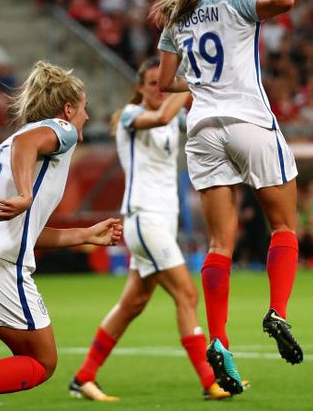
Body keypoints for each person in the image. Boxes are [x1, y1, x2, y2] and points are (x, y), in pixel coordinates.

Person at [0, 61, 124, 411]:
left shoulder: (6, 145)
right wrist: (27, 193)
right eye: (85, 107)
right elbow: (30, 143)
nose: (87, 117)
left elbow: (22, 231)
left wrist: (85, 234)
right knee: (42, 361)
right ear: (67, 108)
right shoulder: (59, 131)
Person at [155, 0, 301, 394]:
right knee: (283, 227)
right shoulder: (236, 1)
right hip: (248, 121)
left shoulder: (177, 17)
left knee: (220, 242)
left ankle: (218, 339)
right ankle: (278, 310)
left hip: (201, 131)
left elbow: (165, 82)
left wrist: (200, 84)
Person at [68, 58, 233, 402]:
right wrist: (189, 82)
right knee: (187, 295)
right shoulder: (131, 116)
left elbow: (199, 119)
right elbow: (160, 116)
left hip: (161, 222)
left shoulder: (175, 120)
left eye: (165, 82)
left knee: (133, 303)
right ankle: (210, 381)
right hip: (144, 218)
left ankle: (83, 377)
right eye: (153, 83)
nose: (160, 88)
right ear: (140, 87)